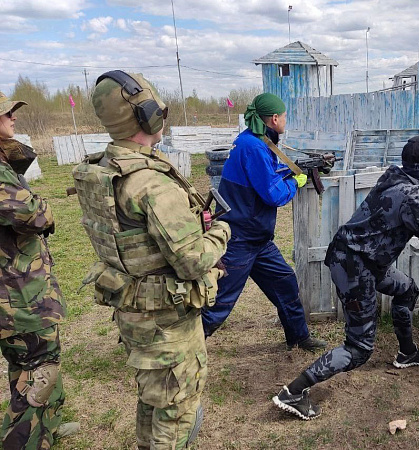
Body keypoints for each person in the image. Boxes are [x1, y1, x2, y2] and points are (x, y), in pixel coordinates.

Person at [72, 71, 230, 449]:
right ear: (146, 116)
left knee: (154, 399)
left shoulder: (101, 169)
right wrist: (221, 233)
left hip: (133, 311)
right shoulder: (150, 183)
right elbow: (192, 261)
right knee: (176, 410)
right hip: (167, 321)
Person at [273, 135, 419, 420]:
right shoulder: (412, 195)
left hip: (364, 261)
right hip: (355, 270)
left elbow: (410, 203)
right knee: (359, 348)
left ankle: (407, 354)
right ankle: (294, 392)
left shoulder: (394, 177)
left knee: (407, 290)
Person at [201, 93, 326, 352]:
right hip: (239, 239)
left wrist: (294, 168)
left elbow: (263, 177)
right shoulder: (254, 147)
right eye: (284, 117)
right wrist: (295, 181)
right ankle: (179, 350)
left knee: (285, 283)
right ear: (275, 118)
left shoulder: (252, 140)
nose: (286, 121)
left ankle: (299, 338)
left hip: (257, 239)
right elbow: (273, 195)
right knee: (219, 303)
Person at [0, 92, 80, 449]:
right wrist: (44, 207)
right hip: (18, 298)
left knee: (32, 365)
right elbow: (33, 214)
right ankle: (26, 440)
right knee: (37, 370)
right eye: (6, 114)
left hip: (19, 291)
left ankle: (45, 427)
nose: (13, 118)